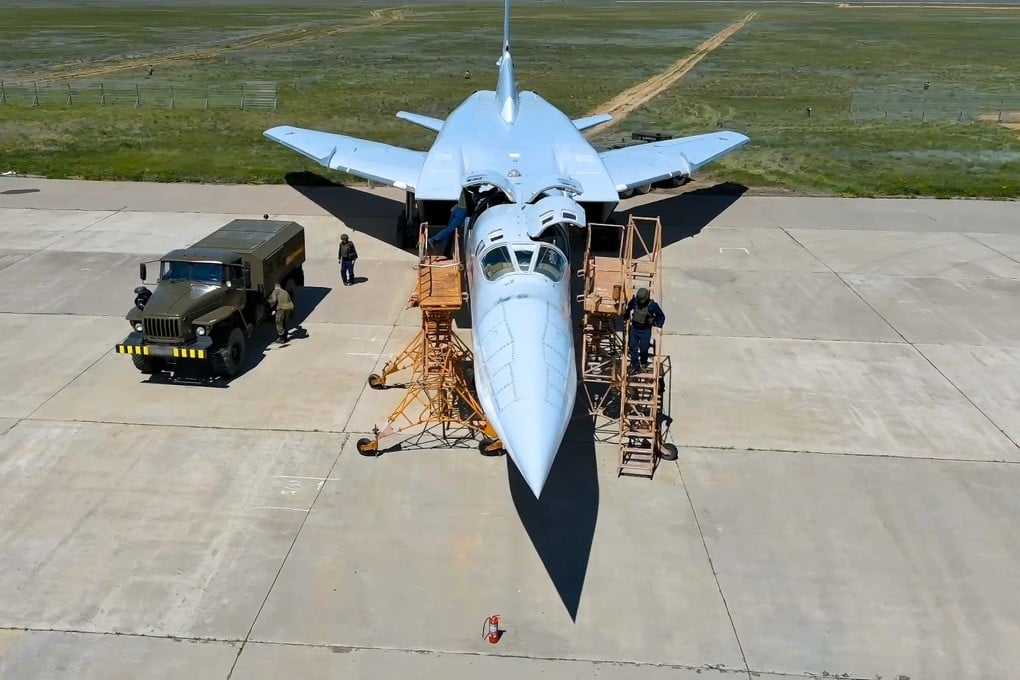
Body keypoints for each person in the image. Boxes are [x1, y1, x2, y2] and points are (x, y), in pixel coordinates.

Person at [623, 287, 665, 373]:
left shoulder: (652, 306)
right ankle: (635, 365)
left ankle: (643, 362)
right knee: (632, 346)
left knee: (644, 348)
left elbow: (661, 316)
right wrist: (626, 316)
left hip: (645, 330)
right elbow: (629, 308)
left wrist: (659, 326)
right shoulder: (635, 301)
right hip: (634, 328)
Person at [428, 192, 468, 259]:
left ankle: (447, 252)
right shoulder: (472, 190)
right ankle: (434, 239)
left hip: (456, 208)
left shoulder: (466, 188)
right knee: (450, 229)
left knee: (450, 230)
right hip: (462, 211)